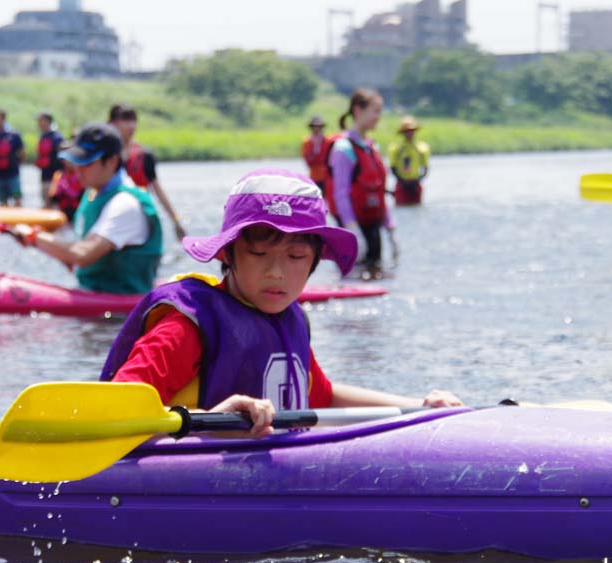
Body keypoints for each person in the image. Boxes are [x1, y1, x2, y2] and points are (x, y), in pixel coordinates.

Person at [100, 167, 462, 436]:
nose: (276, 273)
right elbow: (112, 416)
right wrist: (208, 422)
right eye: (259, 253)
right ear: (227, 253)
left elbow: (324, 394)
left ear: (316, 259)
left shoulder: (290, 319)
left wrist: (419, 407)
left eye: (295, 257)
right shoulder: (187, 325)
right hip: (180, 479)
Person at [13, 122, 162, 294]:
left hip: (121, 308)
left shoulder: (124, 204)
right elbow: (80, 251)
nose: (78, 170)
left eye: (87, 163)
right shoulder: (93, 193)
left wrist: (33, 236)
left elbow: (82, 254)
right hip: (95, 293)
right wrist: (48, 245)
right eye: (77, 161)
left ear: (112, 162)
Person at [325, 88, 392, 272]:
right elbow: (341, 194)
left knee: (376, 273)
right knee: (355, 275)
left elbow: (379, 190)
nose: (378, 116)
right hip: (353, 228)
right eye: (375, 111)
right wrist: (352, 229)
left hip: (373, 225)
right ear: (357, 110)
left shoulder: (371, 146)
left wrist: (390, 226)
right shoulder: (343, 148)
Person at [108, 104, 187, 240]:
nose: (131, 126)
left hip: (140, 219)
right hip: (112, 219)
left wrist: (176, 220)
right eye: (126, 120)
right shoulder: (105, 157)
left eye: (134, 120)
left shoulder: (144, 155)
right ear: (112, 124)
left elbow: (158, 190)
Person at [388, 115, 430, 206]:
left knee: (416, 207)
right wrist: (403, 181)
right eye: (407, 131)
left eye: (412, 131)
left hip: (415, 184)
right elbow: (393, 168)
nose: (410, 133)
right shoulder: (396, 148)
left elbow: (426, 168)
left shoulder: (422, 148)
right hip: (401, 184)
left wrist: (418, 180)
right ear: (403, 133)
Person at [34, 112, 65, 206]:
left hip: (55, 174)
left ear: (47, 121)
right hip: (45, 174)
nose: (39, 123)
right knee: (45, 199)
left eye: (41, 121)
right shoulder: (43, 136)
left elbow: (62, 155)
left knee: (53, 201)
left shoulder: (57, 137)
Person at [48, 154, 84, 223]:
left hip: (76, 211)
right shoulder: (59, 175)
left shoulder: (80, 175)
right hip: (62, 211)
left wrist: (66, 187)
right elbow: (53, 197)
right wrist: (59, 189)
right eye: (68, 160)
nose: (70, 163)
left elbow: (78, 195)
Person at [300, 115, 330, 193]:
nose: (317, 128)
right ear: (311, 127)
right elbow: (308, 160)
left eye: (319, 126)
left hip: (326, 177)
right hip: (314, 176)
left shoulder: (327, 141)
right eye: (315, 126)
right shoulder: (307, 142)